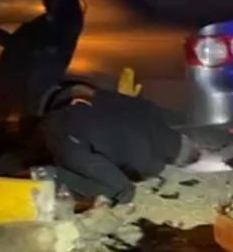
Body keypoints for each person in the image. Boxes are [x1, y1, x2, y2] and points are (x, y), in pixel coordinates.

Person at [36, 83, 198, 206]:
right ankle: (55, 177)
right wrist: (123, 189)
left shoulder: (151, 111)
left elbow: (77, 157)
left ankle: (48, 174)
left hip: (72, 115)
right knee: (107, 184)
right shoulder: (149, 163)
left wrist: (121, 188)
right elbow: (86, 161)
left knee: (75, 157)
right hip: (150, 164)